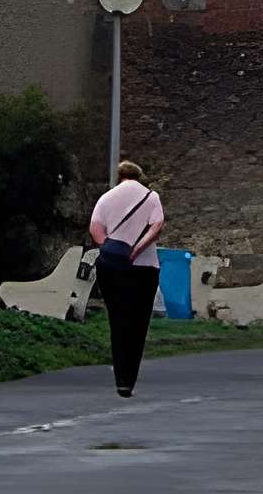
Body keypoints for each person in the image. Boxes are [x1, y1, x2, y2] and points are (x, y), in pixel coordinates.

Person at [88, 161, 166, 398]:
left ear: (120, 176)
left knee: (118, 321)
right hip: (144, 268)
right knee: (138, 323)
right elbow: (157, 226)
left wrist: (112, 249)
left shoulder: (106, 198)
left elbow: (95, 230)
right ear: (139, 176)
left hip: (112, 268)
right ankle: (129, 380)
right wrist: (135, 250)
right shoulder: (151, 197)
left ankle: (120, 378)